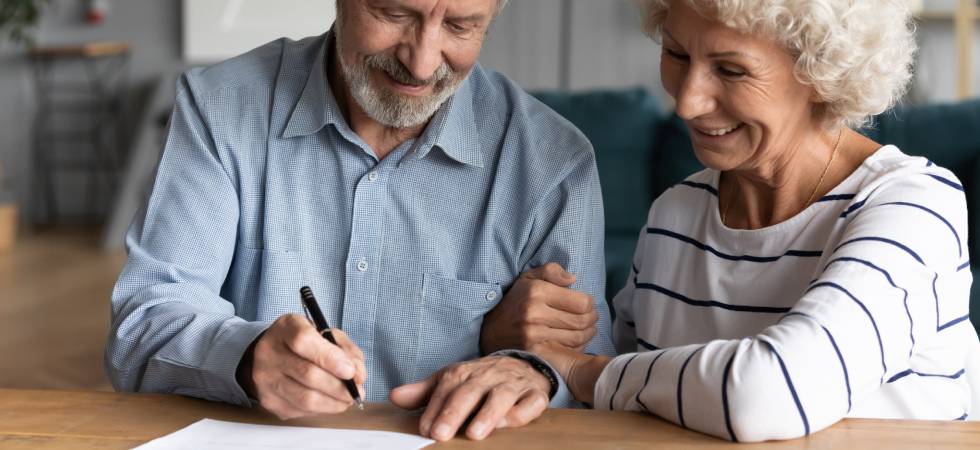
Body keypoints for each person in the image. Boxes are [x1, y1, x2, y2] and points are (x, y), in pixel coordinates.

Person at [105, 0, 613, 442]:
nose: (421, 60)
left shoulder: (553, 162)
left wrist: (525, 364)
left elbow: (590, 377)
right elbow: (142, 328)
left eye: (460, 26)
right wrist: (244, 357)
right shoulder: (220, 108)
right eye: (394, 14)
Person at [524, 0, 979, 442]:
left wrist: (582, 371)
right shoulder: (675, 214)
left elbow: (777, 392)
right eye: (676, 53)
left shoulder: (914, 207)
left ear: (821, 72)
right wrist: (530, 342)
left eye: (731, 70)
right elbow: (623, 386)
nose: (687, 102)